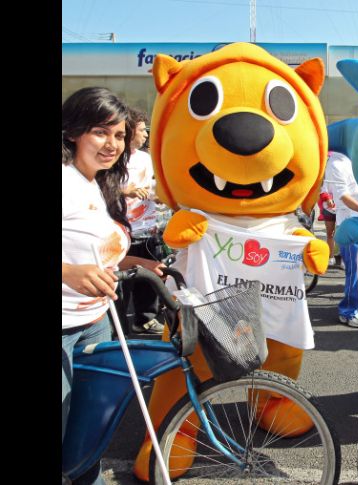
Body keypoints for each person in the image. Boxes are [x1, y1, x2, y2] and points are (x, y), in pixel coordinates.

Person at [62, 87, 165, 485]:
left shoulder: (96, 183)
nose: (112, 144)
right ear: (73, 132)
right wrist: (69, 273)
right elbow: (75, 263)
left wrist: (139, 263)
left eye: (119, 135)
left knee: (91, 430)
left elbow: (98, 252)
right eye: (101, 132)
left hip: (97, 323)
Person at [117, 108, 165, 335]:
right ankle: (116, 328)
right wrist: (125, 191)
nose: (146, 135)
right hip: (122, 230)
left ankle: (145, 320)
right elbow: (100, 186)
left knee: (150, 278)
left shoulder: (146, 158)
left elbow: (154, 187)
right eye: (142, 131)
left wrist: (157, 195)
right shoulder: (113, 157)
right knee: (120, 282)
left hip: (148, 228)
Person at [324, 151, 358, 328]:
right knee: (354, 270)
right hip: (350, 224)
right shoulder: (336, 164)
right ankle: (348, 311)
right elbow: (342, 195)